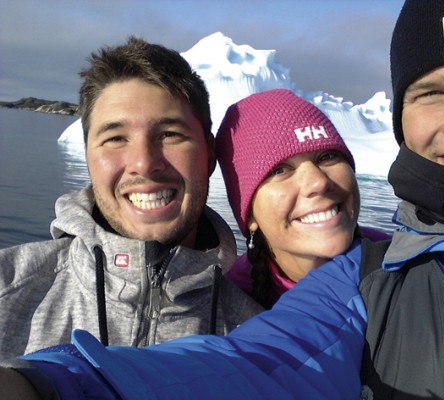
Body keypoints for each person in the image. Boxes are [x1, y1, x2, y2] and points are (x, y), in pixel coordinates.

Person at [3, 0, 444, 398]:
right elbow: (258, 362)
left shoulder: (374, 274)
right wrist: (47, 382)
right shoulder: (15, 285)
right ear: (246, 212)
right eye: (115, 137)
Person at [0, 36, 262, 360]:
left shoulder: (256, 340)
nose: (143, 163)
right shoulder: (8, 288)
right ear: (88, 158)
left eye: (170, 134)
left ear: (209, 156)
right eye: (116, 138)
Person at [217, 89, 389, 308]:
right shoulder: (222, 307)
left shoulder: (411, 265)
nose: (318, 182)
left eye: (327, 157)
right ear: (250, 215)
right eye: (279, 170)